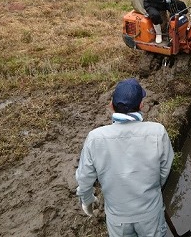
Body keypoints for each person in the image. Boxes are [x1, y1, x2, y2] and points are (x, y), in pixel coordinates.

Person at [75, 78, 174, 236]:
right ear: (141, 105)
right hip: (150, 215)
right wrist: (151, 188)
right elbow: (164, 171)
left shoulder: (95, 138)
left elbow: (85, 178)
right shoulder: (157, 132)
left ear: (111, 105)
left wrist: (87, 200)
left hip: (117, 219)